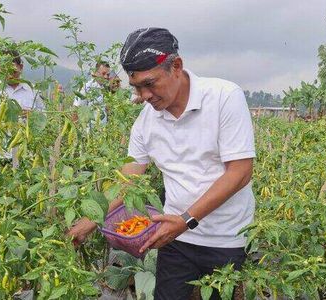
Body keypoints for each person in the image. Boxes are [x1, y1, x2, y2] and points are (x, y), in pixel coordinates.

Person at [68, 27, 256, 300]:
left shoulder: (224, 97)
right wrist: (91, 220)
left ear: (176, 66)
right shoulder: (146, 121)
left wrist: (186, 220)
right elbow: (128, 180)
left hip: (225, 238)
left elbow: (240, 173)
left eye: (150, 83)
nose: (144, 95)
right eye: (136, 87)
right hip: (173, 237)